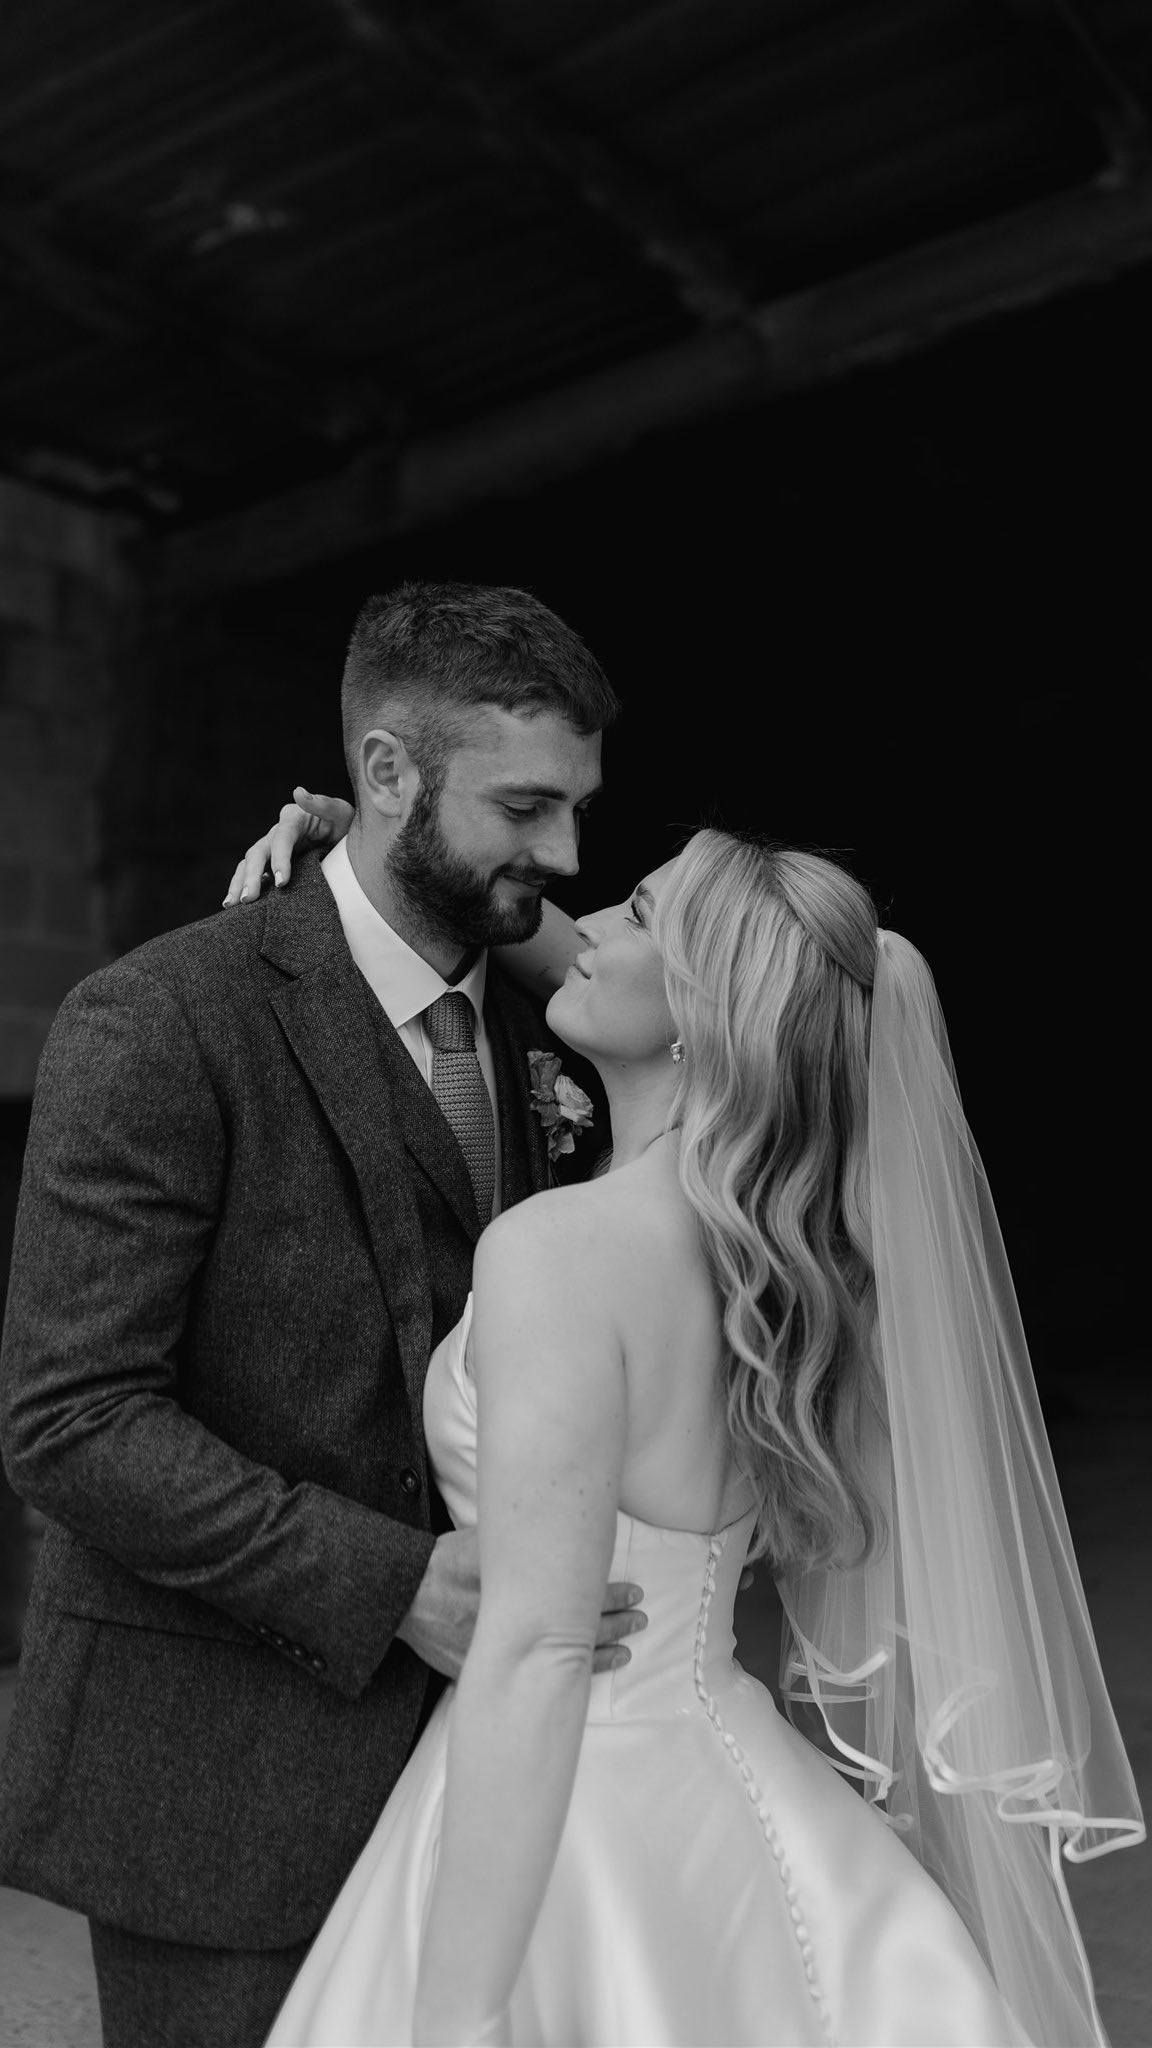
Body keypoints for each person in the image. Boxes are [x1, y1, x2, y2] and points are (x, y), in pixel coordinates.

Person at [230, 802, 1142, 2047]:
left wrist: (457, 2014)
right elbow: (591, 960)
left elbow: (543, 1653)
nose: (583, 925)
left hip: (560, 1801)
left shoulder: (559, 1251)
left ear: (709, 1006)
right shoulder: (782, 1269)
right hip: (732, 1791)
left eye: (641, 910)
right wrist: (383, 852)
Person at [0, 581, 649, 2048]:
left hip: (514, 1786)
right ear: (386, 775)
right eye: (529, 806)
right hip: (221, 1785)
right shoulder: (159, 1021)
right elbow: (72, 1420)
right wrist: (392, 1584)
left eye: (580, 807)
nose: (564, 856)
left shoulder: (582, 1017)